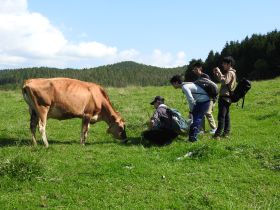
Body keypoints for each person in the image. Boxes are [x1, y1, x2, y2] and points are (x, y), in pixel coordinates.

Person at [170, 75, 210, 142]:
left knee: (196, 119)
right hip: (203, 101)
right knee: (196, 118)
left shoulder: (184, 87)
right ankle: (194, 135)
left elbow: (190, 99)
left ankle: (192, 137)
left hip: (203, 101)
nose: (173, 86)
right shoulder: (187, 84)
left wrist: (191, 111)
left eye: (173, 84)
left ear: (176, 82)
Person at [212, 56, 237, 139]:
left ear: (229, 64)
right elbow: (223, 80)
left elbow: (224, 81)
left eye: (224, 64)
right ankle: (226, 133)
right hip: (227, 97)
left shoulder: (230, 72)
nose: (223, 65)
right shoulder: (231, 72)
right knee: (226, 116)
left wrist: (219, 72)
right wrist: (217, 74)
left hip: (225, 97)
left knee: (221, 116)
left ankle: (217, 135)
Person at [193, 62, 217, 134]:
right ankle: (201, 130)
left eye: (196, 69)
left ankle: (214, 128)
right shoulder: (198, 78)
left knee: (208, 113)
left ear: (200, 68)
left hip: (210, 98)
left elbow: (210, 87)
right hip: (203, 98)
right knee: (201, 113)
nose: (195, 71)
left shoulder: (205, 76)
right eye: (194, 69)